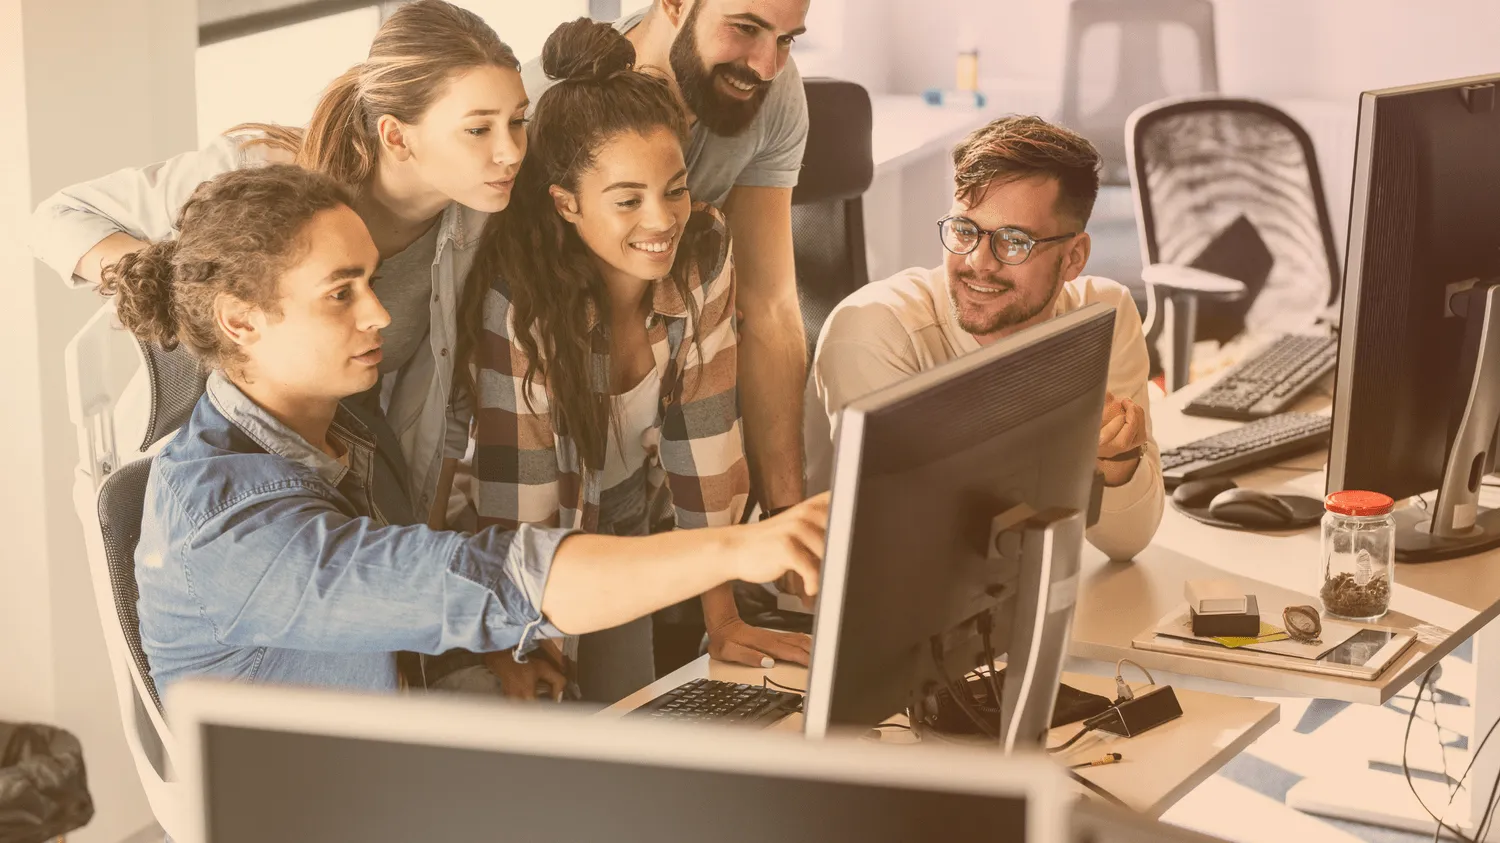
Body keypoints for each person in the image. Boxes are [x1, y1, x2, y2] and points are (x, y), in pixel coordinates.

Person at [106, 164, 827, 700]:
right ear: (240, 321)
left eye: (369, 280)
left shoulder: (342, 415)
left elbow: (398, 592)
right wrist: (742, 544)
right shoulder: (227, 529)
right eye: (340, 293)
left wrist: (487, 655)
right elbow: (483, 578)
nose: (378, 314)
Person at [29, 0, 519, 531]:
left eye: (518, 122)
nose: (511, 152)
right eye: (478, 130)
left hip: (348, 465)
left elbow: (442, 399)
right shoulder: (256, 176)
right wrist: (184, 281)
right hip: (219, 475)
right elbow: (56, 218)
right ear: (396, 135)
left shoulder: (475, 218)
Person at [456, 20, 813, 704]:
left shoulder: (704, 251)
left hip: (624, 516)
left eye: (675, 189)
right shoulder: (521, 302)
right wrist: (525, 649)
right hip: (505, 551)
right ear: (566, 203)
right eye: (627, 200)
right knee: (551, 712)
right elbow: (525, 510)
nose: (662, 221)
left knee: (631, 711)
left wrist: (725, 619)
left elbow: (706, 450)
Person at [806, 115, 1164, 561]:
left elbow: (1127, 541)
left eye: (1014, 241)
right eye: (964, 230)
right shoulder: (876, 330)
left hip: (1003, 584)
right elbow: (917, 536)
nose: (978, 263)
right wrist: (1062, 448)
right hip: (838, 608)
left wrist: (1117, 463)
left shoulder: (1100, 316)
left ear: (1074, 257)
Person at [519, 0, 811, 518]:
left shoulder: (772, 93)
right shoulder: (543, 113)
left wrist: (788, 523)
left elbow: (770, 306)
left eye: (787, 40)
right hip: (540, 413)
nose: (766, 66)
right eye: (745, 28)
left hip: (660, 420)